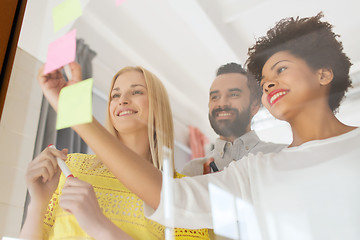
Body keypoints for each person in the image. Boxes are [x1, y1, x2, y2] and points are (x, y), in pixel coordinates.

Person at [32, 13, 360, 240]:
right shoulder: (253, 172)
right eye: (265, 79)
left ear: (323, 73)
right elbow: (172, 200)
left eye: (282, 69)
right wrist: (74, 113)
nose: (269, 83)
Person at [20, 65, 209, 239]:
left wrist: (99, 225)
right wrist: (37, 202)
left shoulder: (182, 194)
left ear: (159, 106)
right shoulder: (71, 167)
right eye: (115, 95)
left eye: (136, 91)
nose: (123, 100)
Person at [181, 63, 286, 176]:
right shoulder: (193, 172)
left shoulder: (282, 156)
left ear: (254, 106)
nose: (222, 104)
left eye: (234, 95)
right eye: (215, 97)